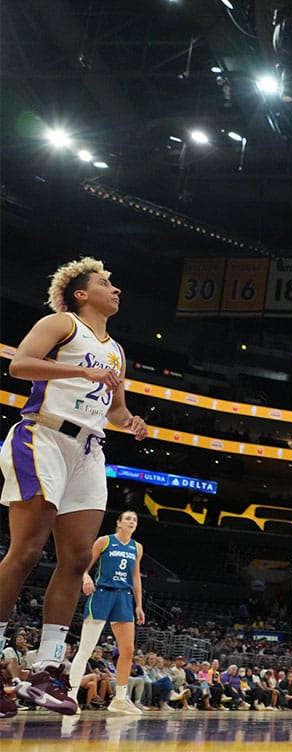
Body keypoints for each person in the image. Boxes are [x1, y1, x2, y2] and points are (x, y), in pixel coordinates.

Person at [0, 257, 148, 715]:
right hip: (42, 434)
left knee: (79, 557)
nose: (115, 288)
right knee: (26, 551)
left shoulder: (116, 350)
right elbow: (20, 365)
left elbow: (115, 410)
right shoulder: (61, 323)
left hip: (88, 449)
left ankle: (46, 669)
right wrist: (82, 373)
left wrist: (131, 422)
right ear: (82, 293)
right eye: (106, 282)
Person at [67, 509, 145, 715]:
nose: (132, 521)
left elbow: (136, 578)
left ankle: (119, 699)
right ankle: (71, 696)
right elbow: (85, 565)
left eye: (134, 519)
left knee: (128, 651)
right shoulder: (105, 541)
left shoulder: (137, 548)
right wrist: (85, 577)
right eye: (128, 518)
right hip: (102, 594)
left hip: (124, 598)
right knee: (86, 649)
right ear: (119, 523)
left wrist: (139, 605)